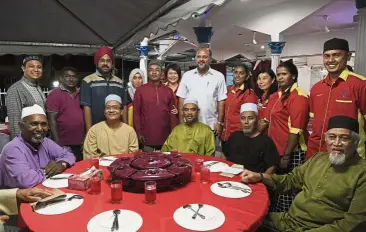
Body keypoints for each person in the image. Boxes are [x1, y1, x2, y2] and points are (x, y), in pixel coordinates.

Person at [242, 115, 366, 232]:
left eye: (344, 138)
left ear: (355, 142)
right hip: (287, 221)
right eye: (332, 137)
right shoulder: (318, 158)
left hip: (316, 229)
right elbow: (289, 181)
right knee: (244, 217)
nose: (336, 143)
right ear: (326, 139)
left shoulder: (362, 173)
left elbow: (353, 223)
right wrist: (260, 176)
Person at [259, 61, 309, 212]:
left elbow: (296, 130)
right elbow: (266, 120)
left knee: (288, 187)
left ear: (293, 76)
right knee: (275, 183)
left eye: (284, 74)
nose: (280, 77)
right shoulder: (277, 95)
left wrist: (286, 155)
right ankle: (276, 215)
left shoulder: (299, 96)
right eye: (279, 74)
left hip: (291, 150)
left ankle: (288, 219)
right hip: (276, 148)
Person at [307, 38, 366, 159]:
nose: (331, 60)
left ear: (348, 56)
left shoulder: (360, 84)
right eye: (327, 56)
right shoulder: (316, 88)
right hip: (315, 153)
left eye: (336, 55)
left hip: (347, 154)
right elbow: (314, 124)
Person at [0, 105, 75, 188]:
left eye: (43, 124)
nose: (39, 129)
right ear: (21, 126)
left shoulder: (45, 142)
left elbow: (69, 155)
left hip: (42, 191)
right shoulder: (13, 149)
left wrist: (61, 164)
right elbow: (26, 181)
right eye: (34, 124)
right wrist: (51, 171)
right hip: (17, 199)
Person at [176, 48, 227, 137]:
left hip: (210, 125)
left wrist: (220, 122)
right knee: (189, 151)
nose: (201, 59)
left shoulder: (219, 76)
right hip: (189, 124)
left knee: (209, 150)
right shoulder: (187, 76)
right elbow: (181, 100)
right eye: (199, 57)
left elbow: (221, 101)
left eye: (204, 57)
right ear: (196, 59)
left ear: (210, 59)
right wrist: (181, 121)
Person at [80, 46, 129, 133]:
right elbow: (87, 107)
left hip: (117, 130)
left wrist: (126, 129)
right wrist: (89, 132)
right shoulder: (88, 81)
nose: (105, 63)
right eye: (102, 60)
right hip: (96, 130)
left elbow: (124, 106)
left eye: (108, 60)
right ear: (97, 62)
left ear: (112, 63)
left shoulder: (119, 82)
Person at [134, 60, 178, 151]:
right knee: (147, 163)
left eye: (157, 70)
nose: (154, 72)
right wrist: (139, 133)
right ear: (148, 73)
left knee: (166, 163)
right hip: (147, 136)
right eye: (151, 70)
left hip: (165, 136)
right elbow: (136, 113)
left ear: (161, 73)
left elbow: (172, 114)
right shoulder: (140, 90)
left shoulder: (168, 91)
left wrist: (173, 133)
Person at [223, 103, 279, 173]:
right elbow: (223, 156)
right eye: (243, 118)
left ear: (257, 120)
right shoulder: (234, 136)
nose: (246, 122)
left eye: (250, 118)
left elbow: (272, 167)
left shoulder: (266, 141)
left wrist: (261, 179)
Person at [46, 67, 85, 161]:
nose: (71, 79)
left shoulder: (82, 93)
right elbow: (52, 120)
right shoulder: (54, 95)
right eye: (67, 76)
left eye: (74, 76)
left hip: (82, 142)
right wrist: (57, 142)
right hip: (64, 143)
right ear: (61, 78)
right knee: (67, 170)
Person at [5, 56, 46, 140]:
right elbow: (14, 123)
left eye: (39, 67)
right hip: (26, 140)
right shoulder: (15, 89)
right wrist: (19, 146)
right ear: (23, 68)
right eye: (31, 66)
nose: (36, 70)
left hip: (38, 137)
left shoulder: (37, 87)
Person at [220, 64, 257, 152]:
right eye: (236, 72)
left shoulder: (248, 94)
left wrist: (244, 137)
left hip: (239, 135)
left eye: (241, 73)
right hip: (225, 134)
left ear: (247, 76)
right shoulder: (229, 90)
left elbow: (250, 119)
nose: (237, 75)